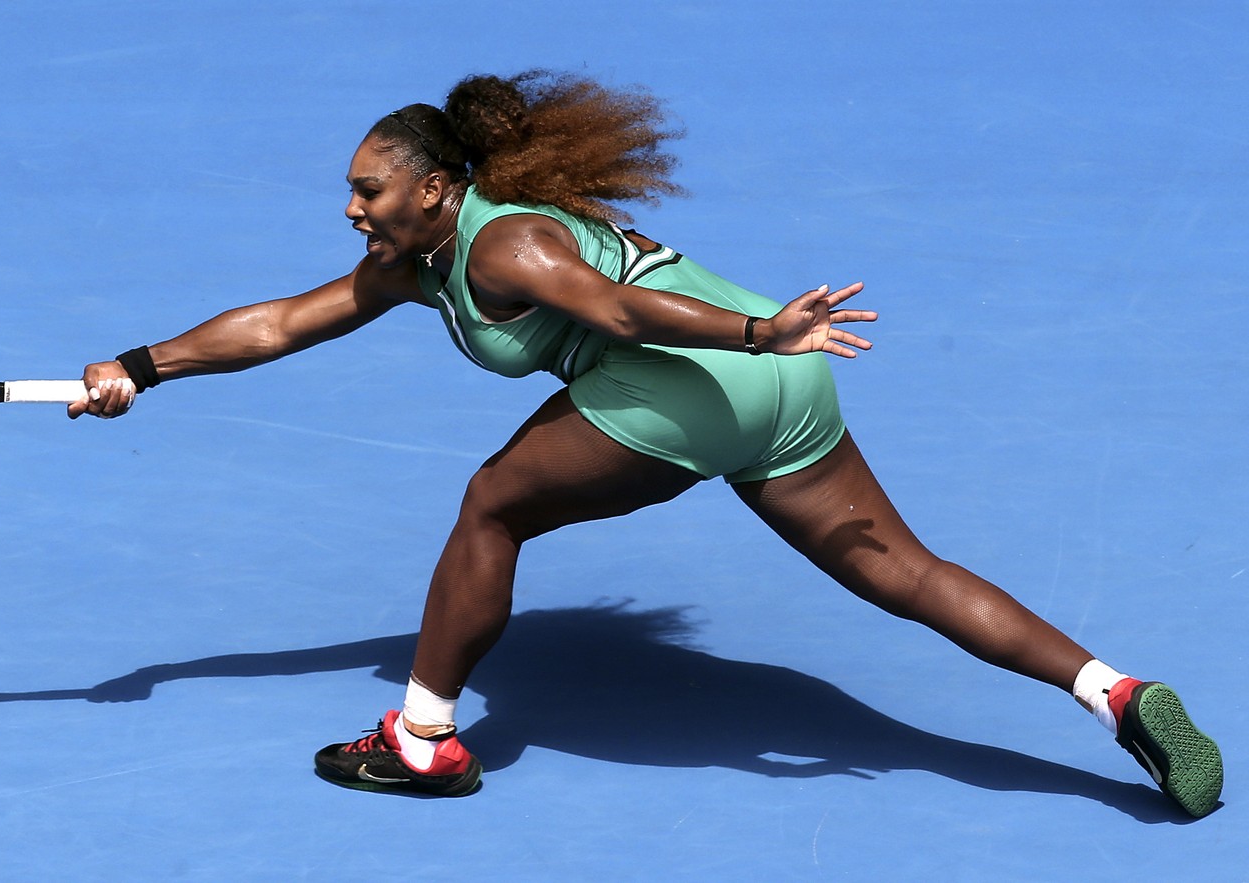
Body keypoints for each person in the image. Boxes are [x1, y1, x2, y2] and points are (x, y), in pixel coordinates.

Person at [70, 71, 1222, 817]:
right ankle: (1114, 691)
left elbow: (617, 314)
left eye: (370, 190)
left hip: (703, 374)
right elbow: (279, 322)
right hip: (784, 387)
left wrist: (755, 327)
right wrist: (141, 364)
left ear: (437, 186)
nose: (353, 207)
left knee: (490, 506)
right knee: (905, 572)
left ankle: (424, 738)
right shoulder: (423, 258)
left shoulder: (502, 247)